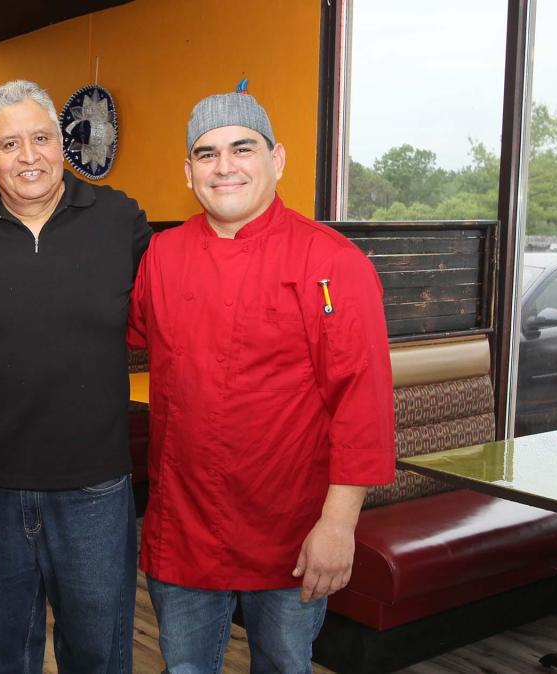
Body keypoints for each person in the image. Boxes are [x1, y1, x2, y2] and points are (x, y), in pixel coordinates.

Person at [128, 92, 395, 673]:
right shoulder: (163, 255)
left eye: (241, 149)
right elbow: (109, 337)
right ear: (188, 171)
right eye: (207, 154)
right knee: (185, 667)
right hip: (184, 525)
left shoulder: (334, 263)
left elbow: (362, 406)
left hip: (290, 530)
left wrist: (338, 525)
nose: (224, 167)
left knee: (283, 665)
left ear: (277, 160)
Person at [0, 79, 151, 674]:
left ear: (64, 142)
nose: (29, 156)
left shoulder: (121, 220)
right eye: (9, 144)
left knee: (99, 658)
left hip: (95, 493)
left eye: (41, 137)